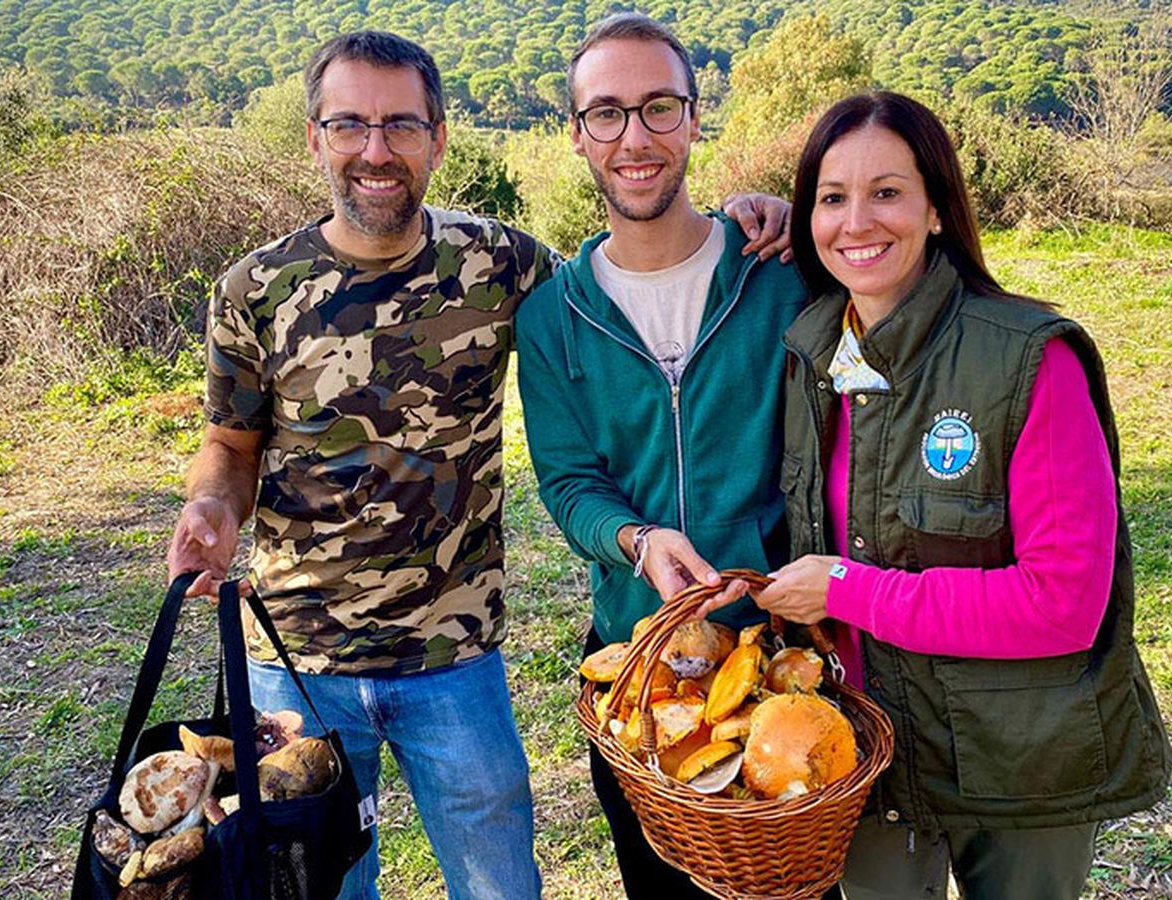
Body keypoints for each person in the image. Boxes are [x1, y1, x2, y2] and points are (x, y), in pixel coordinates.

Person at [163, 29, 791, 900]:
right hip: (295, 656)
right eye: (349, 125)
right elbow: (229, 445)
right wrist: (210, 508)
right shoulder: (254, 289)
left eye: (401, 125)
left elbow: (638, 259)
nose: (375, 151)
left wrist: (762, 215)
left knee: (499, 885)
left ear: (438, 136)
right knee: (315, 883)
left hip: (454, 655)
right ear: (315, 137)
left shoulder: (502, 265)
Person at [707, 91, 1172, 899]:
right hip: (867, 756)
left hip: (1020, 764)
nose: (857, 222)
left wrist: (849, 591)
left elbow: (1065, 602)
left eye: (887, 193)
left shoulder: (1027, 361)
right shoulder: (813, 350)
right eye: (831, 198)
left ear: (935, 210)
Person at [515, 14, 810, 899]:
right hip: (639, 663)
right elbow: (569, 482)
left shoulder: (782, 274)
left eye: (657, 108)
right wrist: (638, 541)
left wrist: (804, 215)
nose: (633, 138)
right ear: (575, 134)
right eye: (605, 113)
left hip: (789, 648)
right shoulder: (551, 318)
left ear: (692, 117)